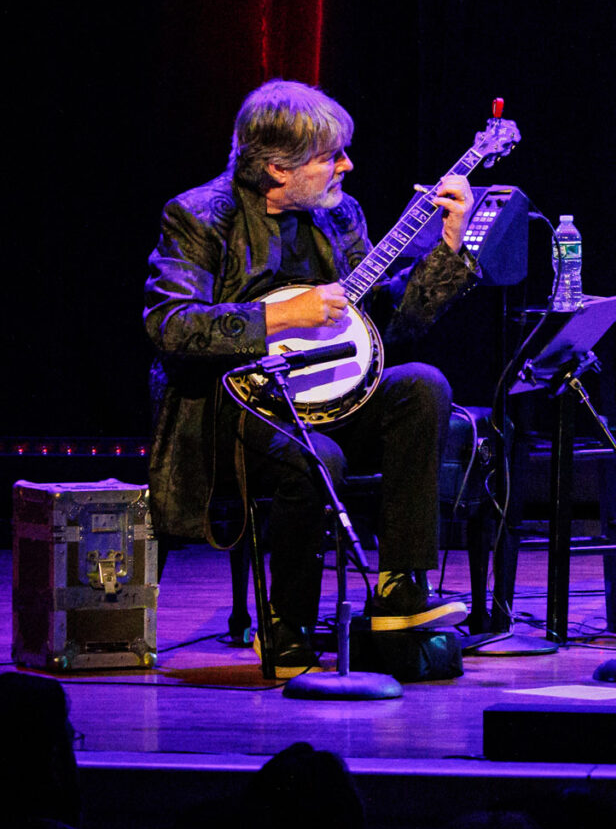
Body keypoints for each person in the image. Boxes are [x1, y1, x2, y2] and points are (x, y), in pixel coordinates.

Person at [144, 79, 475, 669]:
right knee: (317, 454)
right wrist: (277, 315)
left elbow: (383, 326)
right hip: (232, 409)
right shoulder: (199, 217)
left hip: (329, 394)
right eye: (331, 157)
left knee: (423, 385)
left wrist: (448, 246)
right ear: (277, 168)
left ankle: (400, 587)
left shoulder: (340, 214)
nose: (347, 166)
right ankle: (286, 621)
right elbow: (171, 326)